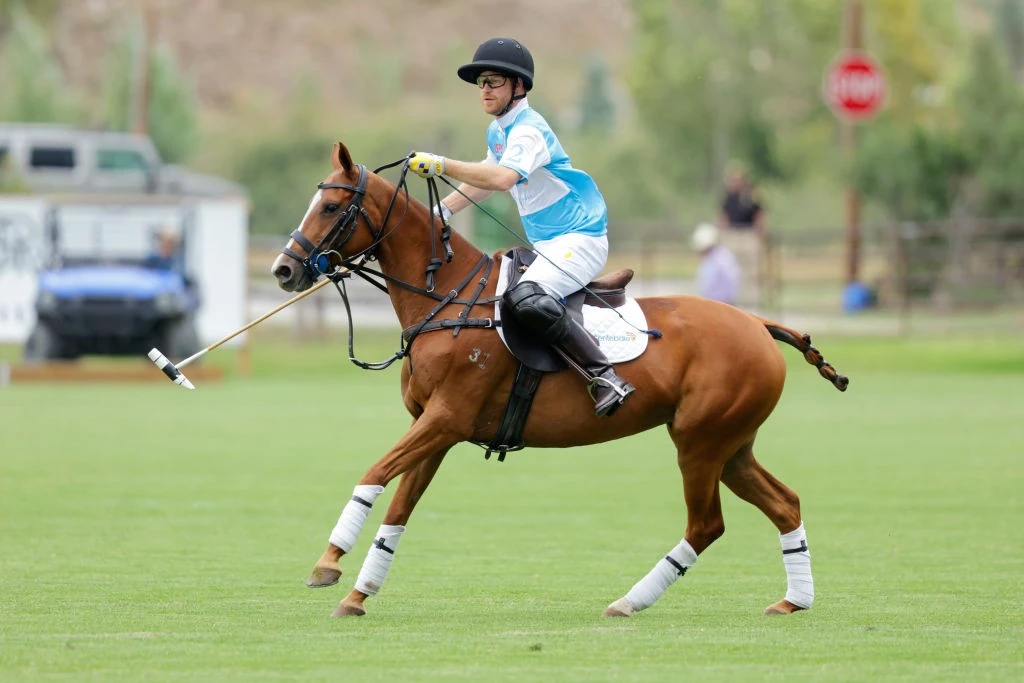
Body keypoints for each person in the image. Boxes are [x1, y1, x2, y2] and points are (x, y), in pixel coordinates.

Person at [406, 37, 633, 417]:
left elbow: (501, 178)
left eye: (493, 81)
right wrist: (441, 211)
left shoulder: (529, 130)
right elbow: (482, 180)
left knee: (527, 295)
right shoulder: (500, 131)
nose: (484, 90)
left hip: (581, 238)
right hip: (550, 244)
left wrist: (442, 163)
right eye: (481, 83)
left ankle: (606, 375)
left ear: (519, 86)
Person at [718, 168, 766, 308]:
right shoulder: (728, 197)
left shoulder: (751, 196)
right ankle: (733, 301)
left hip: (748, 234)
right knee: (731, 270)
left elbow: (759, 216)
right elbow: (723, 217)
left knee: (751, 271)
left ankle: (752, 301)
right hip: (733, 235)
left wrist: (760, 234)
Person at [691, 222, 740, 305]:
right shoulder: (722, 255)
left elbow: (707, 286)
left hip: (718, 304)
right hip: (720, 303)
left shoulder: (716, 260)